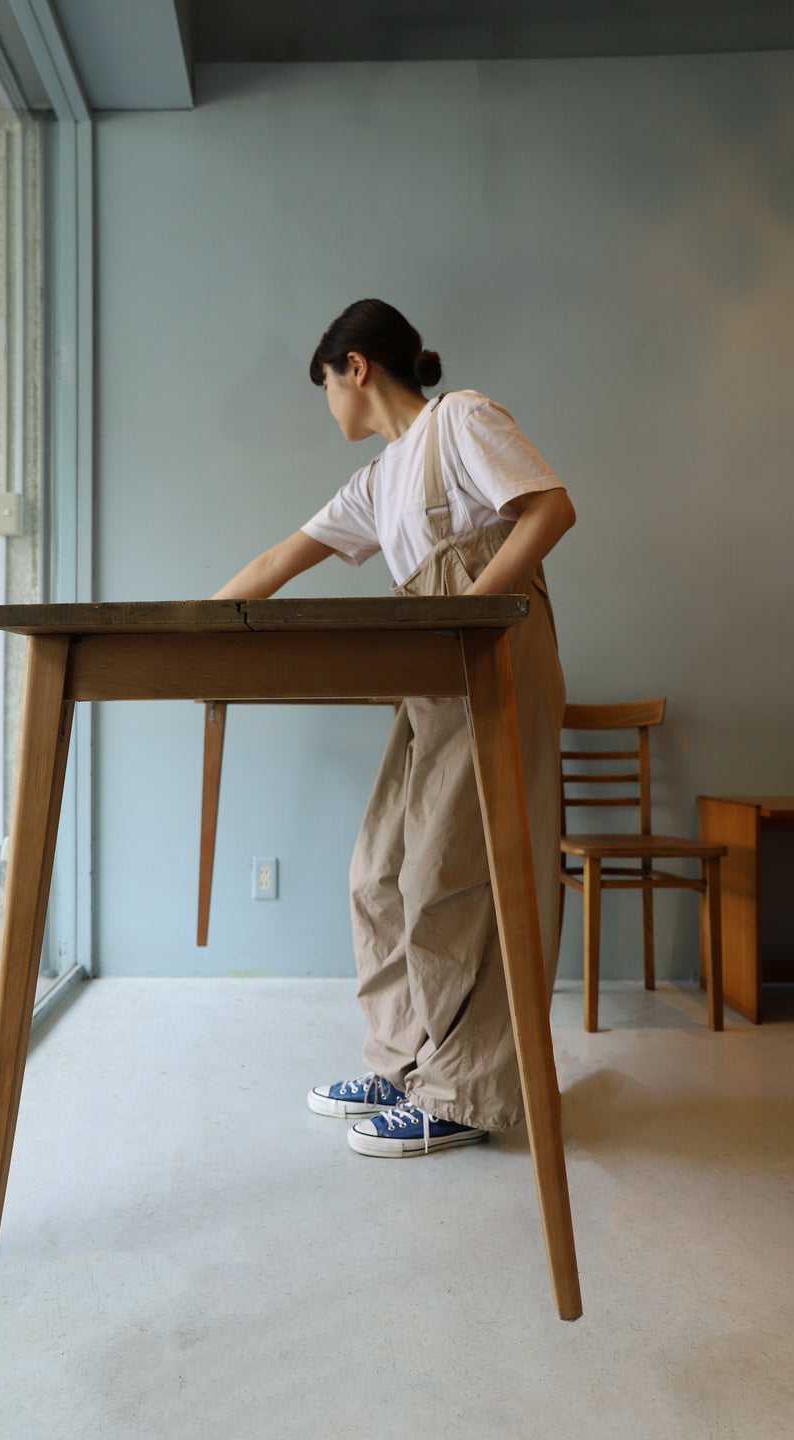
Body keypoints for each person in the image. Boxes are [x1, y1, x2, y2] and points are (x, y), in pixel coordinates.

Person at [213, 298, 575, 1158]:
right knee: (378, 869)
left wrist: (473, 613)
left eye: (325, 387)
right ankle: (403, 1058)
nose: (329, 404)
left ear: (356, 368)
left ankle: (465, 1089)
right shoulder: (381, 478)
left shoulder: (461, 420)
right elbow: (276, 561)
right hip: (432, 670)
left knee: (454, 874)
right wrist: (187, 626)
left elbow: (551, 509)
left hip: (490, 654)